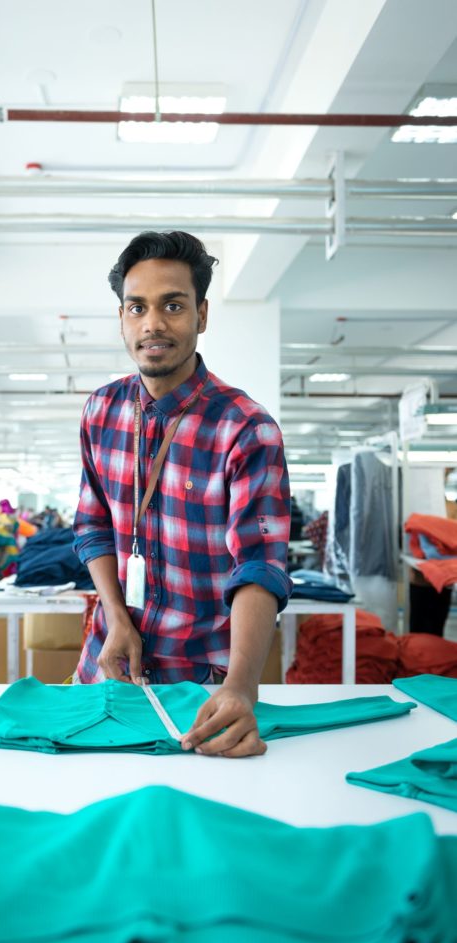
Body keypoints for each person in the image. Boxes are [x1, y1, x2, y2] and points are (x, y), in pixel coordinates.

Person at [73, 231, 292, 759]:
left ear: (202, 314)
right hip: (110, 668)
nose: (153, 323)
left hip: (204, 685)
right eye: (137, 307)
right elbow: (92, 526)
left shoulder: (245, 428)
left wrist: (241, 685)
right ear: (122, 318)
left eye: (173, 305)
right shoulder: (100, 411)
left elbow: (260, 565)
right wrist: (118, 619)